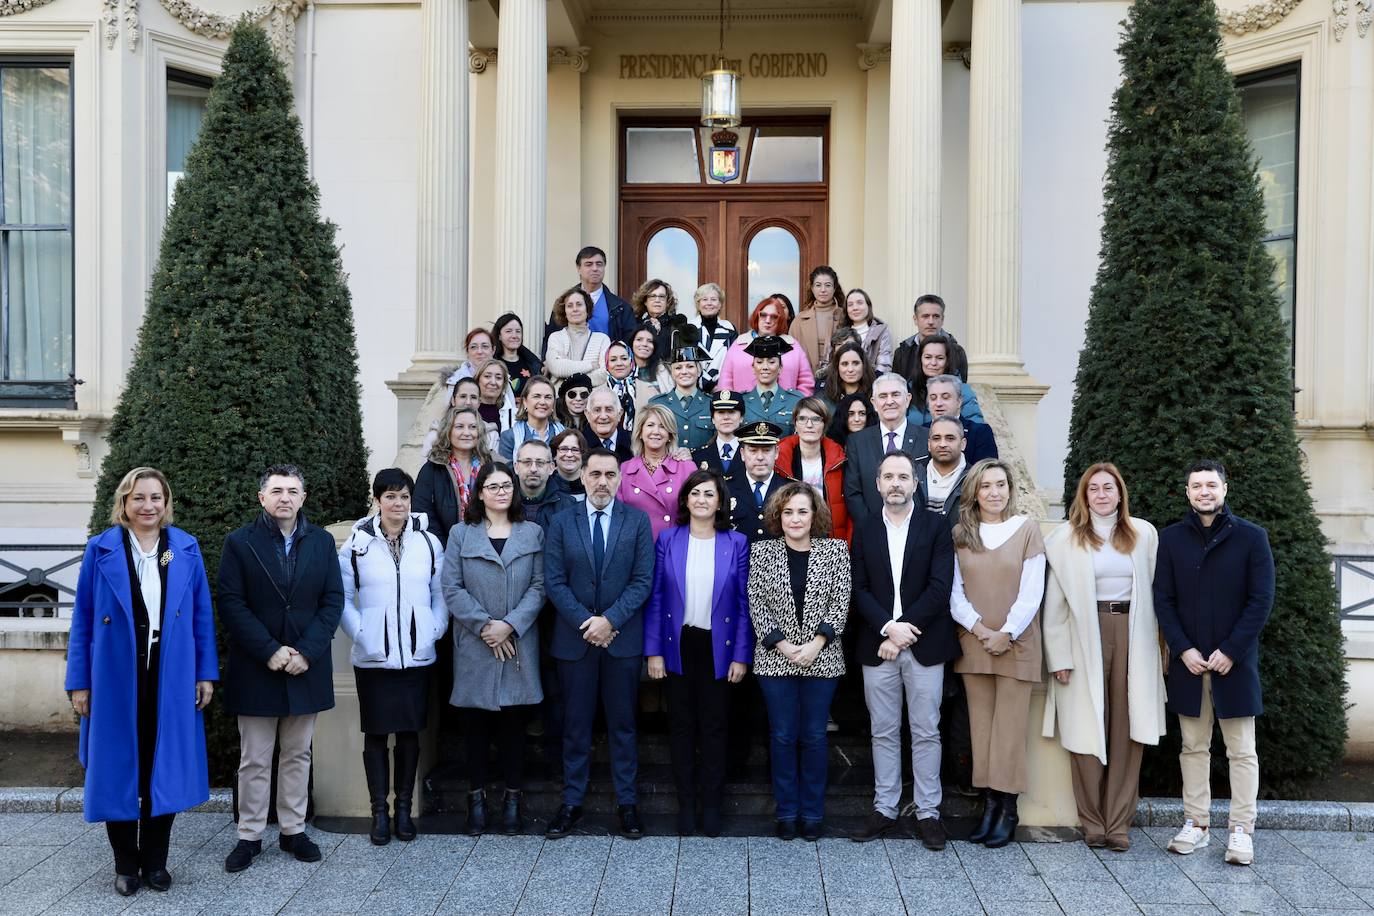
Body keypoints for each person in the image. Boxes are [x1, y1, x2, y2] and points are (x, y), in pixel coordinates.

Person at [65, 467, 217, 896]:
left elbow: (201, 617)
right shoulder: (102, 549)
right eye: (139, 498)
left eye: (156, 498)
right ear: (124, 504)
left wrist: (205, 673)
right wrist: (79, 683)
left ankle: (156, 863)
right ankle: (125, 866)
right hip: (114, 676)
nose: (148, 506)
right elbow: (84, 623)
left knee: (161, 765)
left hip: (170, 673)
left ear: (166, 503)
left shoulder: (181, 549)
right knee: (117, 767)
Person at [219, 465, 343, 873]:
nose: (284, 498)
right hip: (258, 665)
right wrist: (270, 651)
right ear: (262, 498)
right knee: (254, 758)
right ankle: (249, 835)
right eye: (276, 490)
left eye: (292, 490)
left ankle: (293, 830)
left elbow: (332, 601)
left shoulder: (322, 542)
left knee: (297, 754)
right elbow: (232, 603)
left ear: (303, 498)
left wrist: (306, 652)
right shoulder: (240, 543)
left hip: (305, 665)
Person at [1042, 463, 1166, 852]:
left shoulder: (1144, 534)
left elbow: (1159, 594)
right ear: (1084, 495)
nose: (1100, 494)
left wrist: (1162, 649)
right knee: (1085, 726)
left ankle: (1119, 824)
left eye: (1108, 487)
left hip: (1134, 632)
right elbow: (1055, 603)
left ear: (1120, 493)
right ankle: (1092, 821)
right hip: (1084, 635)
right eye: (1093, 488)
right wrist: (1059, 656)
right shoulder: (1064, 539)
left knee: (1128, 730)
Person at [1156, 460, 1274, 867]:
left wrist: (1231, 651)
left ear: (1225, 488)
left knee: (1242, 750)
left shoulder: (1252, 539)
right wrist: (1183, 649)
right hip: (1189, 664)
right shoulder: (1170, 540)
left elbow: (1260, 601)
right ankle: (1197, 824)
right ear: (1187, 493)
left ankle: (1242, 830)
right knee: (1193, 747)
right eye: (1196, 486)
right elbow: (1163, 601)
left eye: (1211, 484)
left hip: (1234, 664)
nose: (1204, 491)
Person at [543, 448, 656, 840]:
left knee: (623, 726)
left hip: (621, 640)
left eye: (610, 474)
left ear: (620, 478)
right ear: (583, 477)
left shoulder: (637, 521)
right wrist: (586, 622)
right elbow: (554, 581)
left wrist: (609, 620)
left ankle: (628, 804)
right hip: (575, 642)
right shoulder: (560, 522)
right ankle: (571, 802)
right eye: (595, 474)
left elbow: (643, 580)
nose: (602, 481)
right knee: (575, 727)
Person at [849, 451, 957, 849]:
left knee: (927, 730)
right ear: (877, 485)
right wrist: (888, 628)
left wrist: (905, 630)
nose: (895, 483)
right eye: (888, 477)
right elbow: (857, 587)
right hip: (877, 643)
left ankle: (929, 813)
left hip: (924, 642)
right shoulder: (864, 528)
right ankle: (885, 808)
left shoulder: (937, 525)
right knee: (883, 731)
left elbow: (940, 586)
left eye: (903, 477)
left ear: (915, 483)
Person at [338, 468, 448, 846]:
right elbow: (342, 597)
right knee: (376, 735)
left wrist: (433, 629)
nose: (398, 503)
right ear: (378, 500)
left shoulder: (429, 543)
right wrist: (363, 634)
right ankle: (379, 814)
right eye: (390, 496)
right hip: (373, 657)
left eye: (403, 496)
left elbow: (440, 593)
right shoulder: (356, 544)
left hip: (417, 656)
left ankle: (403, 811)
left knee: (409, 735)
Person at [644, 469, 753, 836]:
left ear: (720, 501)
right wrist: (654, 652)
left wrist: (741, 655)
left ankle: (711, 805)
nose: (702, 500)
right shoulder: (669, 540)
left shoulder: (736, 542)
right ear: (686, 501)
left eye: (709, 494)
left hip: (718, 647)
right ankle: (686, 805)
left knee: (714, 727)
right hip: (679, 645)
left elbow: (743, 605)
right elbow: (657, 597)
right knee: (681, 727)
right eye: (695, 494)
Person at [441, 462, 545, 835]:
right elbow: (451, 587)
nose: (501, 492)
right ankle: (476, 802)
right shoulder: (460, 534)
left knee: (514, 730)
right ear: (479, 492)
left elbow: (539, 586)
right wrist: (486, 626)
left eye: (507, 486)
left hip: (517, 643)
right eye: (493, 486)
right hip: (476, 644)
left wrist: (509, 626)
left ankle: (513, 803)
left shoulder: (532, 532)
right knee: (475, 731)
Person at [949, 458, 1046, 849]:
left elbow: (1032, 590)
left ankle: (1008, 808)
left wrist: (1005, 632)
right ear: (974, 491)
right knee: (982, 731)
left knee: (1009, 731)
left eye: (1001, 485)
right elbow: (955, 592)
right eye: (986, 485)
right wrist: (980, 630)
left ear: (1010, 489)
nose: (994, 492)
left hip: (1016, 645)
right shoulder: (960, 533)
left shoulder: (1027, 530)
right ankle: (988, 806)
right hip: (974, 645)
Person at [747, 481, 850, 841]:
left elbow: (841, 603)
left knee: (814, 737)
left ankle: (813, 813)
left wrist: (816, 644)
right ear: (779, 515)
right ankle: (787, 812)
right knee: (782, 736)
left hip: (822, 660)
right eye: (788, 512)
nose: (795, 518)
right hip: (776, 659)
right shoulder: (762, 553)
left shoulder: (835, 552)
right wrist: (787, 647)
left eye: (802, 511)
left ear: (814, 514)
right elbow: (756, 605)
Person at [844, 373, 930, 523]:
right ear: (874, 403)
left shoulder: (927, 437)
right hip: (872, 530)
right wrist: (871, 526)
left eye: (895, 394)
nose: (889, 401)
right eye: (883, 396)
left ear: (908, 399)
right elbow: (853, 492)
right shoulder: (857, 442)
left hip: (920, 529)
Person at [413, 406, 495, 548]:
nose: (467, 432)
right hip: (446, 551)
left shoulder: (491, 466)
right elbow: (423, 514)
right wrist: (448, 548)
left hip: (488, 549)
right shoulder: (431, 469)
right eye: (459, 427)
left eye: (472, 427)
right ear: (448, 431)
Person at [776, 397, 851, 544]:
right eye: (802, 419)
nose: (809, 425)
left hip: (828, 534)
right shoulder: (780, 459)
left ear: (824, 424)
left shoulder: (839, 459)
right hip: (791, 532)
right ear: (795, 424)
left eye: (816, 419)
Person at [618, 403, 695, 541]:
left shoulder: (686, 468)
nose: (656, 431)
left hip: (673, 548)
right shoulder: (624, 470)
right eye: (650, 425)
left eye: (662, 426)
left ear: (670, 434)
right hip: (636, 549)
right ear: (640, 432)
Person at [542, 245, 637, 354]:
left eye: (599, 264)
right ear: (578, 269)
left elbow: (630, 343)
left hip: (606, 367)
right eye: (589, 264)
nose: (595, 268)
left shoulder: (621, 307)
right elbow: (551, 338)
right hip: (569, 366)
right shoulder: (563, 303)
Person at [716, 297, 815, 395]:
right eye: (763, 315)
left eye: (774, 316)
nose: (768, 320)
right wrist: (732, 408)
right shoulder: (739, 344)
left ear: (780, 320)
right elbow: (725, 382)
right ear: (757, 316)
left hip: (786, 409)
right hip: (744, 408)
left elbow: (806, 383)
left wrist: (796, 406)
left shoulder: (793, 346)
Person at [728, 421, 792, 542]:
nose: (760, 457)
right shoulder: (725, 489)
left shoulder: (791, 490)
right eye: (753, 450)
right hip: (737, 559)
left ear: (776, 452)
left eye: (767, 450)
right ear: (742, 454)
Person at [650, 343, 715, 451]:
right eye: (678, 368)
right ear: (672, 373)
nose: (684, 372)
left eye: (690, 366)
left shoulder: (712, 404)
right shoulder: (657, 404)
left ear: (699, 371)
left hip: (702, 466)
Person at [893, 294, 970, 383]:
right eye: (925, 316)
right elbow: (897, 387)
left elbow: (960, 389)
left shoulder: (957, 352)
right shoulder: (902, 353)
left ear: (942, 319)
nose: (931, 322)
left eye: (936, 316)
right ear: (915, 319)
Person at [923, 374, 997, 465]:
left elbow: (986, 472)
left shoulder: (979, 432)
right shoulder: (917, 432)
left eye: (945, 397)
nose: (938, 403)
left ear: (959, 401)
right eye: (933, 398)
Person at [909, 334, 984, 424]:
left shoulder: (963, 390)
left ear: (947, 361)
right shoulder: (908, 389)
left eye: (940, 358)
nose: (933, 363)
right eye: (928, 357)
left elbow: (976, 427)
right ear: (920, 359)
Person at [545, 286, 611, 387]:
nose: (575, 309)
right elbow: (557, 368)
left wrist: (567, 369)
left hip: (592, 399)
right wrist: (591, 365)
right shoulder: (556, 338)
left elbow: (603, 374)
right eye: (570, 306)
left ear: (587, 309)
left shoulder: (602, 339)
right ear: (565, 312)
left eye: (579, 304)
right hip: (560, 399)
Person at [740, 335, 805, 436]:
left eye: (771, 362)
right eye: (759, 362)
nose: (765, 367)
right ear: (753, 368)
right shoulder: (741, 400)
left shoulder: (796, 401)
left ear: (780, 368)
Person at [791, 266, 845, 381]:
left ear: (835, 288)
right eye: (818, 285)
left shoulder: (844, 317)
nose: (823, 290)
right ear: (812, 288)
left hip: (839, 381)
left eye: (828, 285)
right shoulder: (799, 320)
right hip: (806, 382)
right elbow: (790, 356)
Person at [498, 375, 565, 461]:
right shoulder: (509, 437)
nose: (542, 402)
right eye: (536, 396)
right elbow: (506, 472)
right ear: (525, 402)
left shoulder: (564, 435)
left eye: (548, 397)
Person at [915, 416, 970, 519]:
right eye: (936, 438)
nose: (943, 444)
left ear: (963, 444)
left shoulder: (975, 478)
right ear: (929, 444)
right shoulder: (913, 473)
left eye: (950, 438)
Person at [688, 282, 738, 391]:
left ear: (720, 304)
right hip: (694, 390)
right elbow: (686, 361)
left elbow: (734, 361)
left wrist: (720, 385)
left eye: (714, 299)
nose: (709, 303)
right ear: (698, 304)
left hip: (723, 389)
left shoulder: (730, 329)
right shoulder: (689, 329)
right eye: (704, 299)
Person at [516, 439, 577, 528]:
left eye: (540, 463)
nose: (533, 469)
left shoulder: (568, 506)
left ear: (551, 468)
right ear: (516, 467)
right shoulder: (503, 503)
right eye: (527, 462)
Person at [604, 338, 659, 436]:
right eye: (613, 360)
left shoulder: (649, 391)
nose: (619, 363)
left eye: (624, 358)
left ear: (631, 361)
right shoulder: (598, 393)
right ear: (607, 364)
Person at [693, 389, 747, 484]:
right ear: (713, 419)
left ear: (741, 417)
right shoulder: (698, 456)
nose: (726, 417)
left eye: (732, 412)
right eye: (720, 412)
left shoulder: (751, 454)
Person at [838, 288, 894, 375]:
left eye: (859, 303)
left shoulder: (881, 331)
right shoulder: (840, 331)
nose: (855, 308)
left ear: (868, 306)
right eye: (850, 305)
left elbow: (884, 366)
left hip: (872, 382)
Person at [493, 312, 544, 398]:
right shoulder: (494, 365)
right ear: (499, 336)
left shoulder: (532, 364)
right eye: (508, 331)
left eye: (518, 331)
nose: (514, 336)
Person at [630, 277, 680, 360]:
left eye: (661, 296)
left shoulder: (676, 325)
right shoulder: (636, 324)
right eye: (653, 296)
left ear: (667, 302)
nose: (657, 300)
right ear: (645, 301)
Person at [821, 340, 876, 415]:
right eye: (844, 364)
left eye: (856, 363)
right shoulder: (824, 400)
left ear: (864, 365)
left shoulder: (875, 396)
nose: (850, 369)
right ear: (837, 367)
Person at [474, 357, 517, 448]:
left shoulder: (512, 414)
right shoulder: (468, 410)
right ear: (478, 380)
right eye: (487, 376)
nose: (493, 382)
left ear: (504, 383)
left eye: (498, 378)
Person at [584, 386, 634, 461]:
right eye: (597, 410)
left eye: (609, 410)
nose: (603, 416)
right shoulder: (578, 445)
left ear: (620, 414)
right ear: (587, 414)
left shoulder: (634, 443)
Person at [627, 327, 673, 407]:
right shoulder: (623, 370)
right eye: (639, 339)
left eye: (649, 341)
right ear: (632, 343)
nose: (644, 344)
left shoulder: (663, 371)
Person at [549, 428, 589, 499]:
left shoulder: (592, 485)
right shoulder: (546, 485)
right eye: (564, 449)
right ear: (555, 455)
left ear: (582, 455)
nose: (569, 454)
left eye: (575, 450)